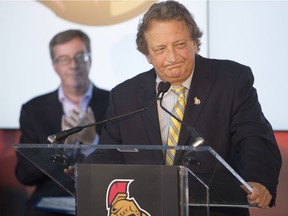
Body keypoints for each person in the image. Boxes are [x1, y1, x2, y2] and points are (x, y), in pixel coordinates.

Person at [88, 1, 282, 216]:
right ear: (147, 56)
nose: (172, 58)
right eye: (160, 49)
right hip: (147, 209)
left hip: (214, 209)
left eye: (179, 44)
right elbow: (110, 153)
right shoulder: (124, 95)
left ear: (195, 43)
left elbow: (253, 136)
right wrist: (84, 174)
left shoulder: (231, 80)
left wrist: (258, 178)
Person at [15, 29, 110, 216]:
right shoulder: (34, 109)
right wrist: (61, 149)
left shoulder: (114, 101)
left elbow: (126, 164)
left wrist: (93, 142)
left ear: (90, 60)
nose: (73, 65)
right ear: (54, 66)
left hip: (103, 197)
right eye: (64, 59)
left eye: (79, 56)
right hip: (50, 203)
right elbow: (24, 175)